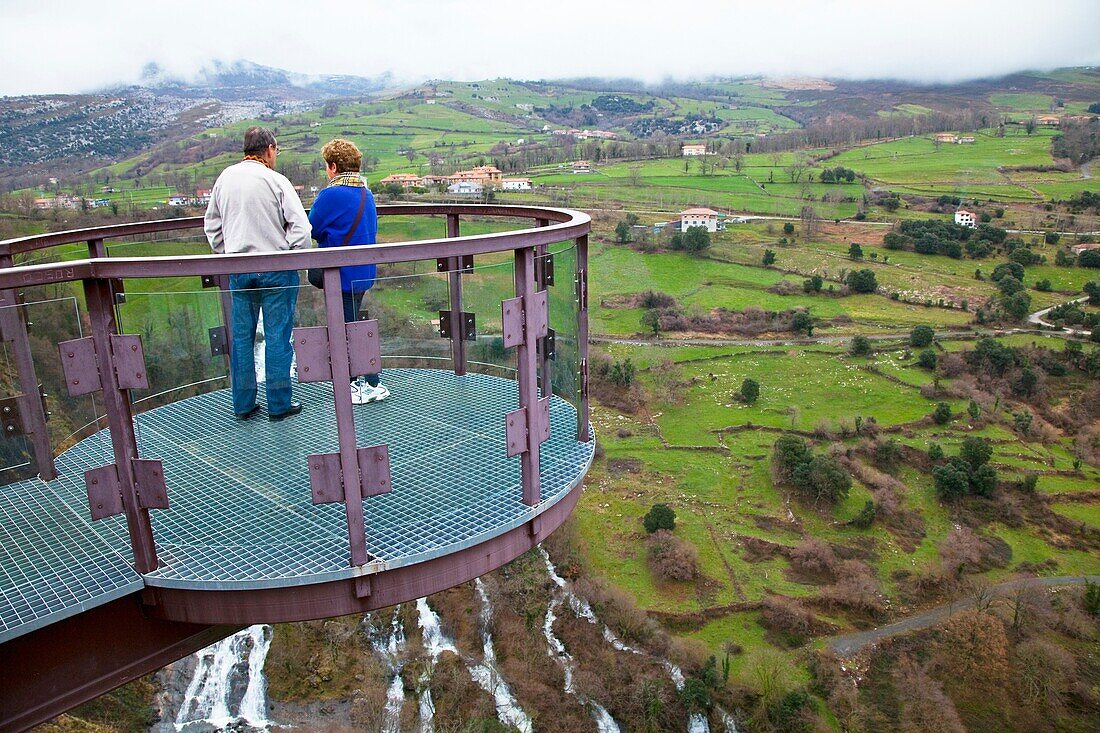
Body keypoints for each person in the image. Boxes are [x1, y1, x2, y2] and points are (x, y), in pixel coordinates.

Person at [204, 126, 311, 421]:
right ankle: (279, 404)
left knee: (241, 338)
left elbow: (212, 226)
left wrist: (228, 252)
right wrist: (289, 255)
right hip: (276, 267)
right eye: (276, 151)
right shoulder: (276, 180)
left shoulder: (225, 179)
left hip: (238, 269)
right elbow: (301, 229)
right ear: (269, 150)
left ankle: (243, 405)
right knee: (278, 336)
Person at [308, 138, 389, 405]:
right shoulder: (367, 194)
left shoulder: (330, 195)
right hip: (364, 271)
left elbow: (313, 229)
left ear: (333, 167)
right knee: (353, 323)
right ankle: (371, 381)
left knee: (343, 327)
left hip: (339, 274)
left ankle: (355, 383)